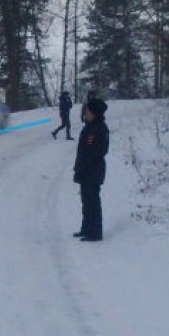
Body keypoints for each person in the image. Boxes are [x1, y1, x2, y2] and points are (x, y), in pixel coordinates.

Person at [73, 98, 109, 241]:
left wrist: (84, 165)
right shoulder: (90, 126)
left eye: (87, 111)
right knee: (86, 201)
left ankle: (95, 232)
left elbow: (96, 151)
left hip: (93, 170)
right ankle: (87, 228)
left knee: (92, 202)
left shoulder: (99, 128)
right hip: (86, 170)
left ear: (94, 113)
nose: (85, 113)